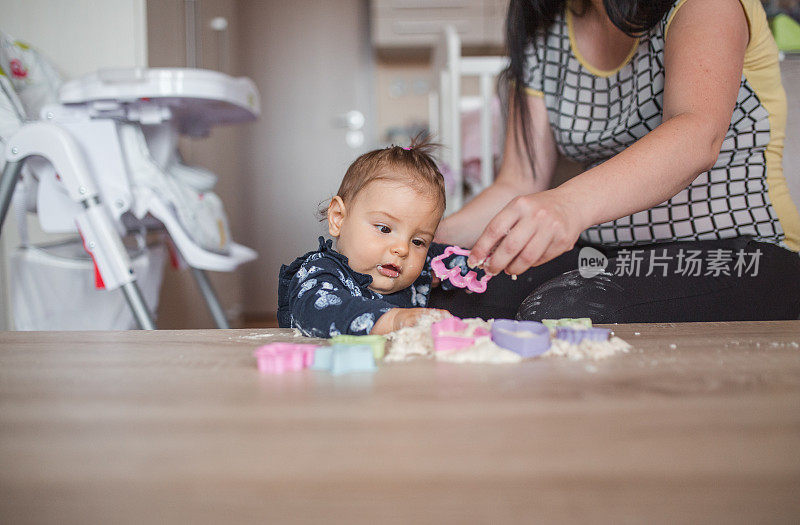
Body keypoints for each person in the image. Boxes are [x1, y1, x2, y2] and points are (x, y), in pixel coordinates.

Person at [431, 0, 800, 322]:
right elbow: (519, 182)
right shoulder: (545, 29)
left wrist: (568, 203)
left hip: (744, 251)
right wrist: (426, 238)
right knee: (448, 299)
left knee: (564, 314)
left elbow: (697, 135)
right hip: (608, 256)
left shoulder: (704, 6)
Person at [278, 136, 451, 337]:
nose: (403, 249)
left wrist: (479, 265)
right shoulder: (319, 274)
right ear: (338, 218)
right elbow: (322, 311)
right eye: (384, 229)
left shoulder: (416, 265)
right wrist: (394, 320)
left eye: (418, 241)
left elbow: (461, 262)